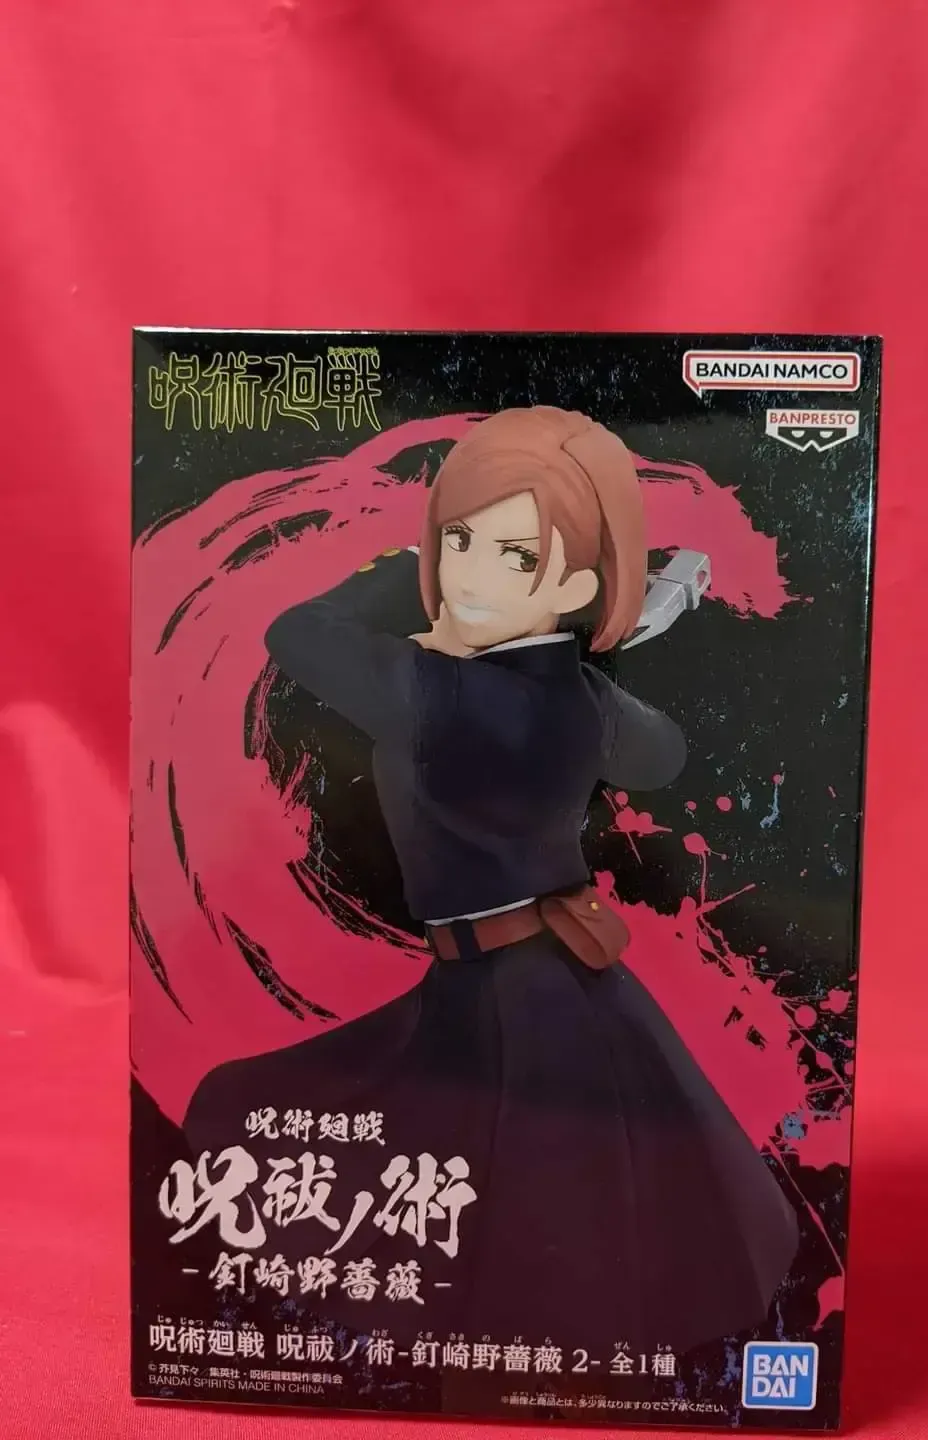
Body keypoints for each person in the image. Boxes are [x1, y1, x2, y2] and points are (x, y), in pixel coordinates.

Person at [183, 406, 797, 1356]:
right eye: (457, 542)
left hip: (519, 994)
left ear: (577, 583)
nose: (468, 575)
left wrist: (414, 581)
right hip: (541, 975)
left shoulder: (433, 690)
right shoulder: (583, 698)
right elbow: (662, 756)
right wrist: (586, 657)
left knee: (529, 1237)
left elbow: (296, 629)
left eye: (513, 556)